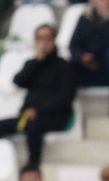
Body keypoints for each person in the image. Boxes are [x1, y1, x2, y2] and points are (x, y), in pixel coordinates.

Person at [0, 25, 78, 168]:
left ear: (54, 41)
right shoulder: (32, 63)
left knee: (33, 125)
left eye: (47, 38)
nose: (43, 43)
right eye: (40, 38)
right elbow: (18, 81)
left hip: (54, 117)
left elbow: (65, 98)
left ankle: (33, 165)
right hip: (27, 116)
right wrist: (37, 61)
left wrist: (39, 111)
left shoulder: (64, 66)